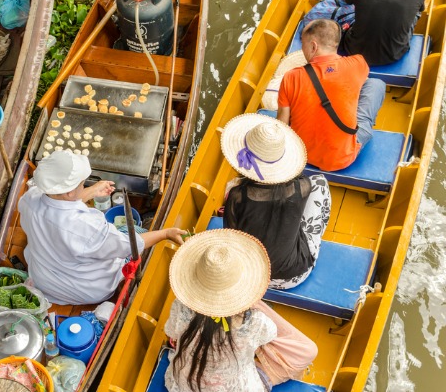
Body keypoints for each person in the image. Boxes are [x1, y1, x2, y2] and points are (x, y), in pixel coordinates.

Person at [18, 149, 185, 305]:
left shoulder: (29, 199)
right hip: (85, 289)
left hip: (44, 279)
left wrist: (92, 191)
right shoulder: (85, 227)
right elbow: (129, 245)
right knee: (137, 232)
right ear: (69, 192)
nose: (83, 187)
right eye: (82, 185)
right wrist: (166, 233)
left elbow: (59, 206)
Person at [165, 228, 318, 391]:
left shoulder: (181, 305)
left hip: (183, 386)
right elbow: (271, 334)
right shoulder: (256, 322)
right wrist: (253, 303)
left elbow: (172, 333)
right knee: (308, 350)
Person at [221, 113, 330, 289]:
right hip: (293, 275)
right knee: (320, 182)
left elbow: (232, 237)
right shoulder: (302, 186)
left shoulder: (237, 195)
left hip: (252, 277)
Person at [277, 18, 386, 171]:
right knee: (376, 84)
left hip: (300, 153)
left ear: (313, 46)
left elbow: (282, 124)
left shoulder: (290, 77)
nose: (302, 49)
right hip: (341, 159)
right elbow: (360, 83)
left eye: (303, 44)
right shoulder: (358, 63)